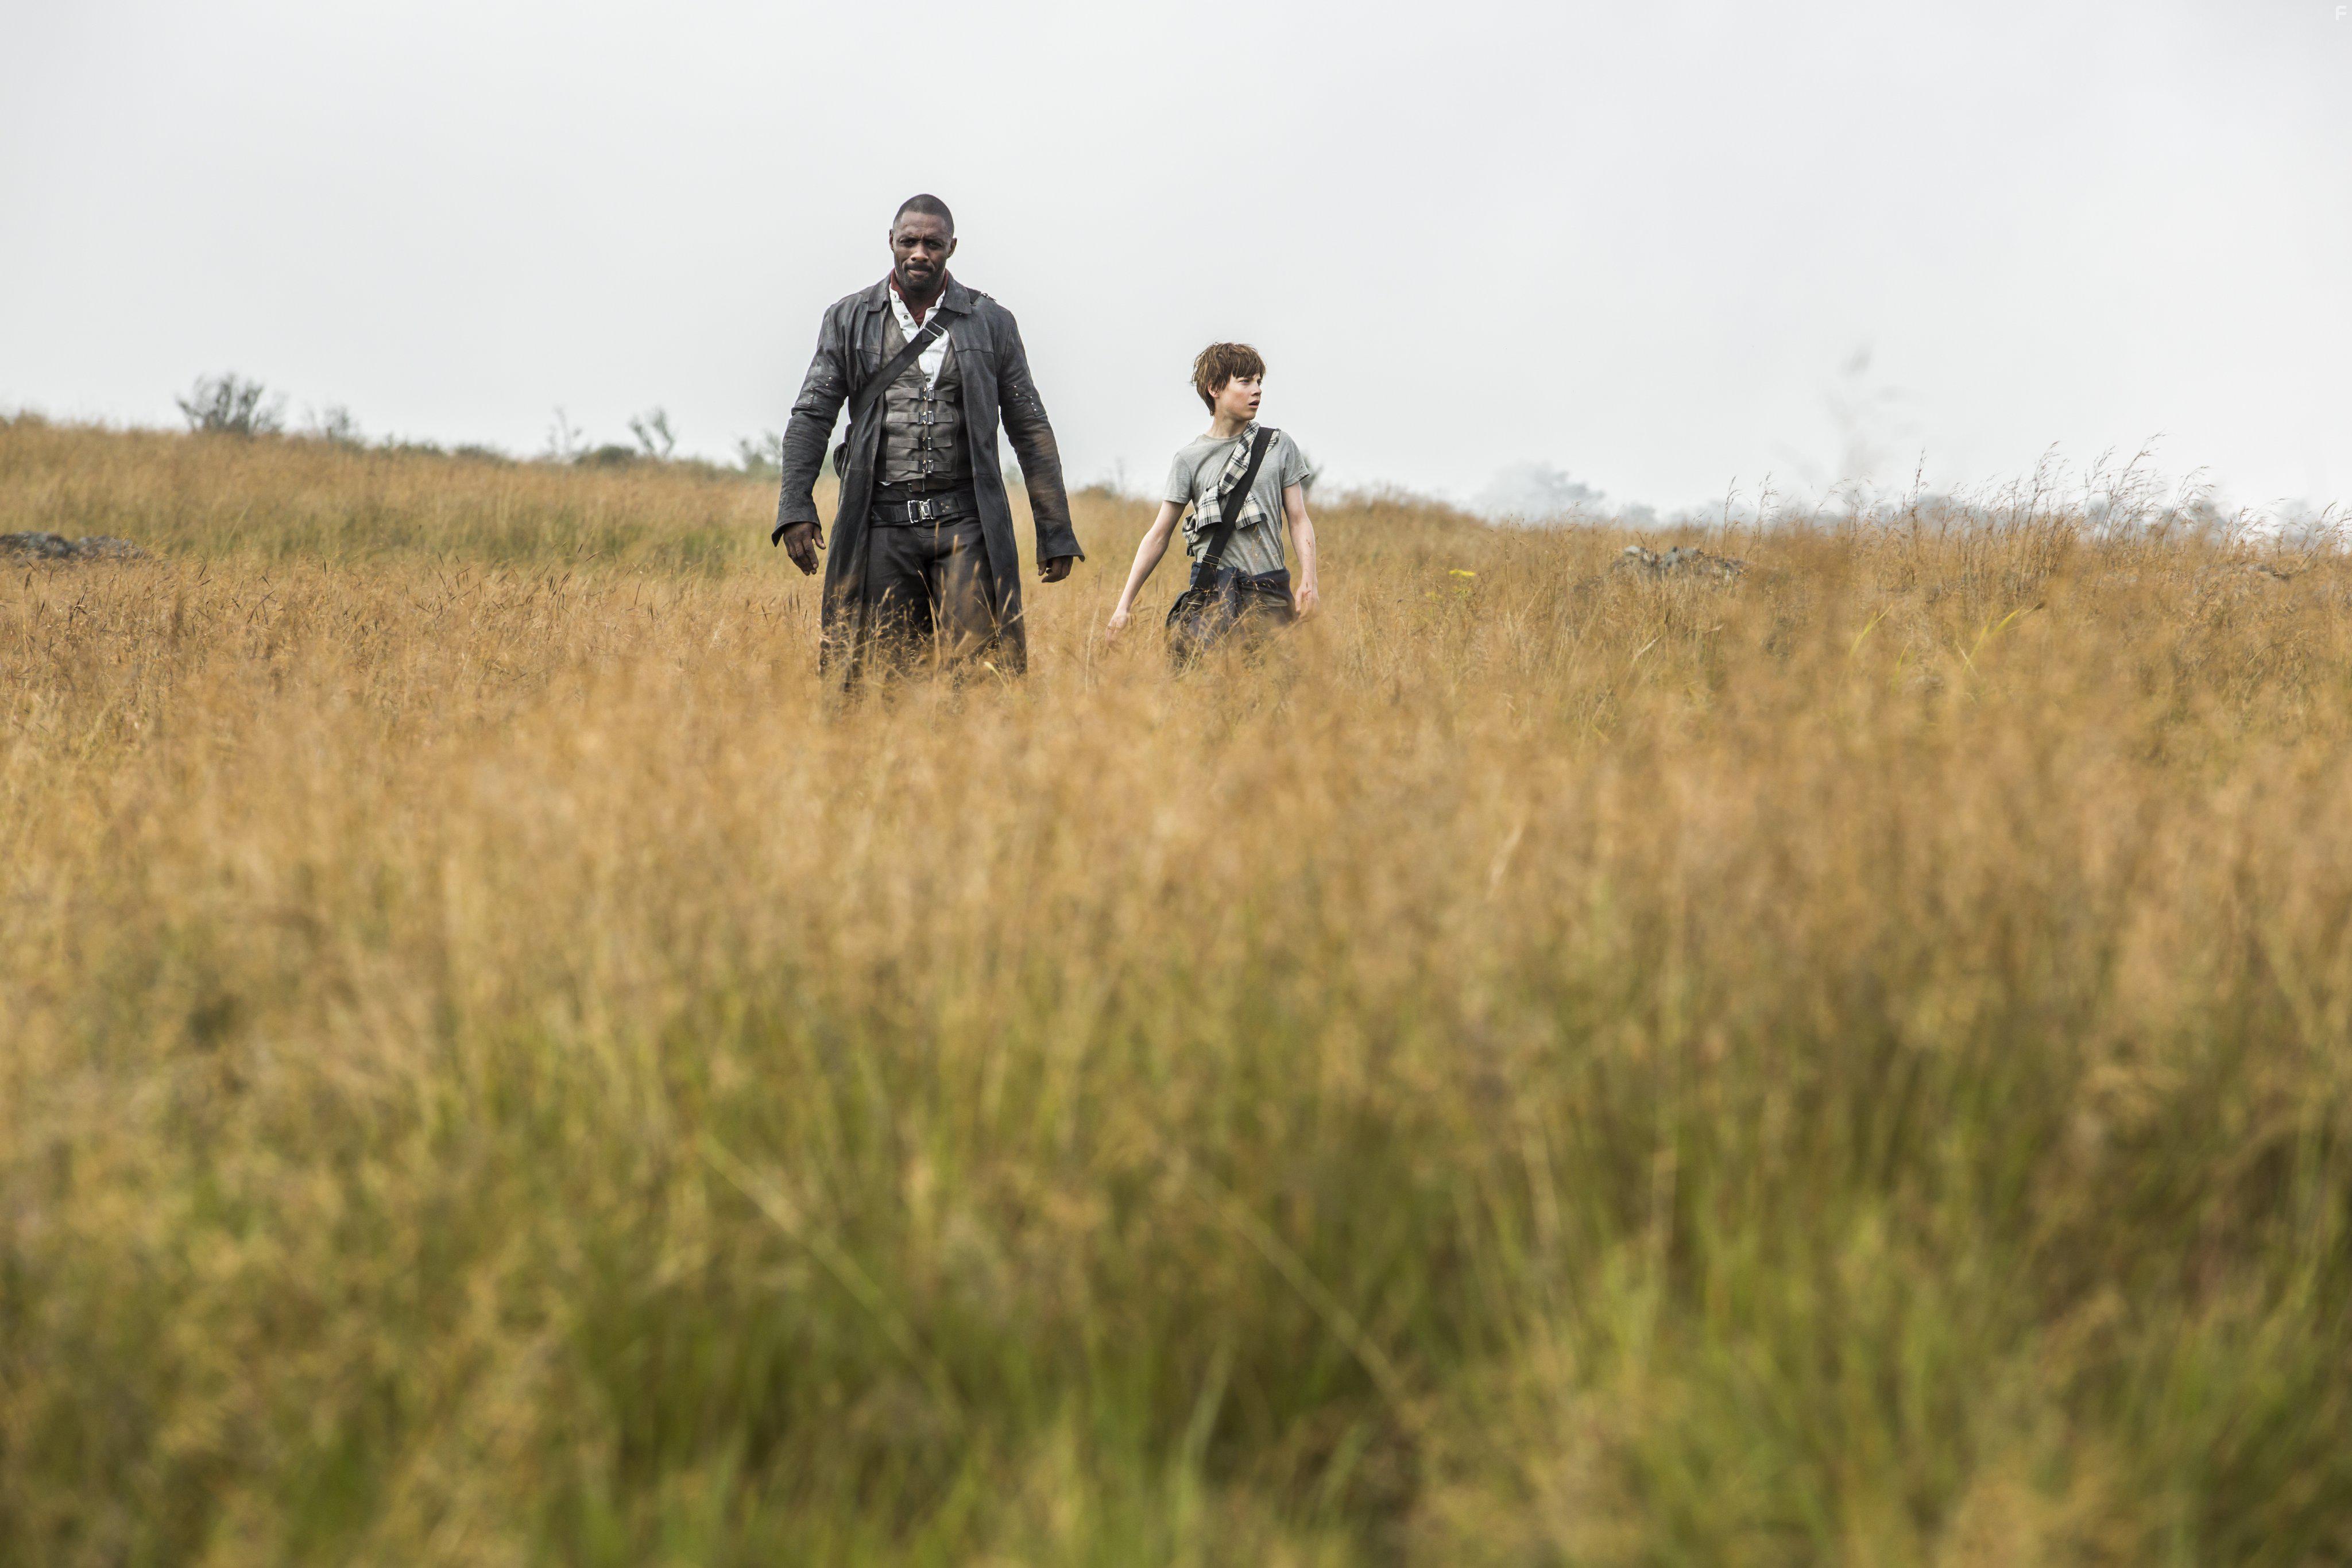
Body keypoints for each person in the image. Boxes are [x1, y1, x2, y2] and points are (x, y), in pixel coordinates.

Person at [771, 194, 1083, 680]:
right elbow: (812, 415)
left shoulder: (992, 322)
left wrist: (1055, 530)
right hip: (880, 526)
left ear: (951, 247)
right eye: (909, 241)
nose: (920, 252)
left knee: (980, 679)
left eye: (932, 243)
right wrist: (795, 506)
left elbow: (1030, 427)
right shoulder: (848, 318)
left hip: (966, 526)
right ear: (891, 243)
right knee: (883, 682)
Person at [1105, 343, 1318, 659]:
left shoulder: (1278, 445)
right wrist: (1123, 606)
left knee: (1274, 695)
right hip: (1212, 597)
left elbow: (1299, 519)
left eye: (1259, 382)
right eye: (1245, 382)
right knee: (1207, 694)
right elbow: (1158, 535)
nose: (1257, 391)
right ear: (1215, 388)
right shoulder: (1189, 459)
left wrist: (1309, 581)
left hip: (1270, 594)